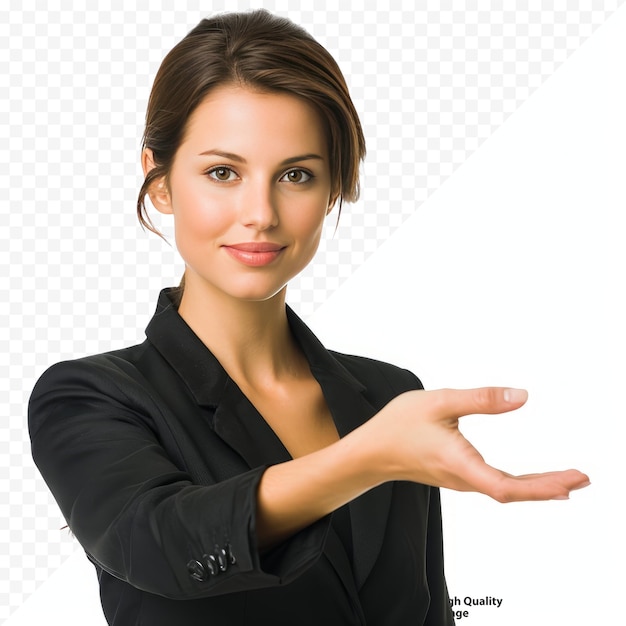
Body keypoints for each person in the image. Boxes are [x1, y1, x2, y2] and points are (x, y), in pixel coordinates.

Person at [28, 9, 589, 626]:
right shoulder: (88, 397)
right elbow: (167, 549)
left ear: (332, 189)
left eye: (296, 175)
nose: (261, 212)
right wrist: (368, 459)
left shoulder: (390, 398)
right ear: (159, 181)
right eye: (223, 172)